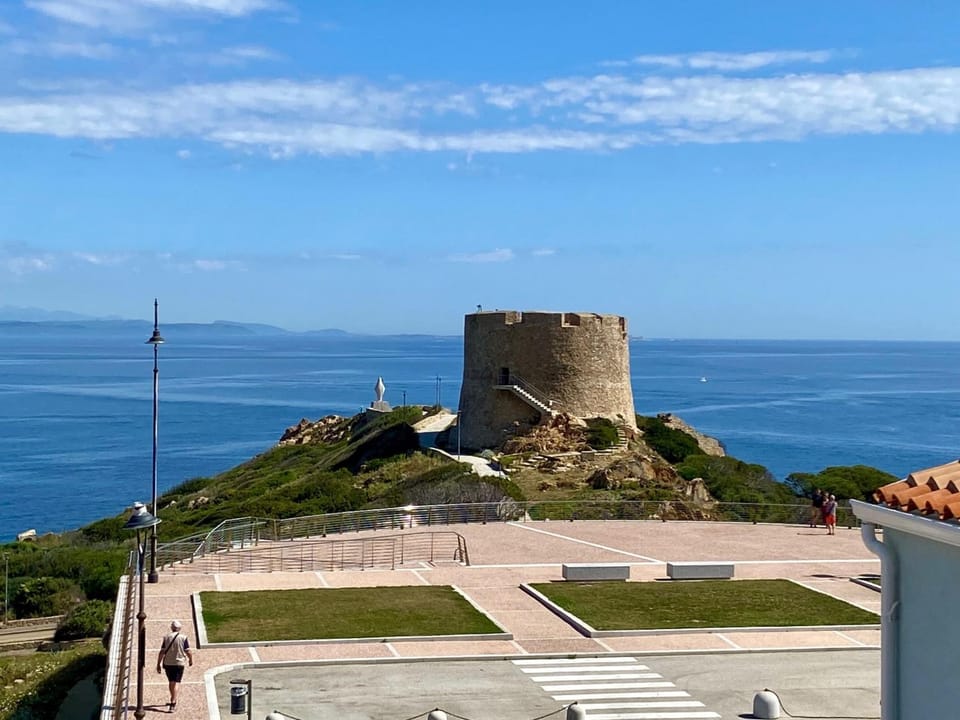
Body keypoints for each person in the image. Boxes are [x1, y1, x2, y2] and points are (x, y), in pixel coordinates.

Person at [157, 620, 194, 711]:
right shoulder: (183, 638)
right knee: (176, 682)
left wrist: (158, 663)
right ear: (179, 628)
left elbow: (162, 652)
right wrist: (190, 660)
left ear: (171, 628)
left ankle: (173, 698)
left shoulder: (166, 637)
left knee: (171, 681)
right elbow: (188, 651)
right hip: (179, 662)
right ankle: (173, 701)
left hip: (168, 663)